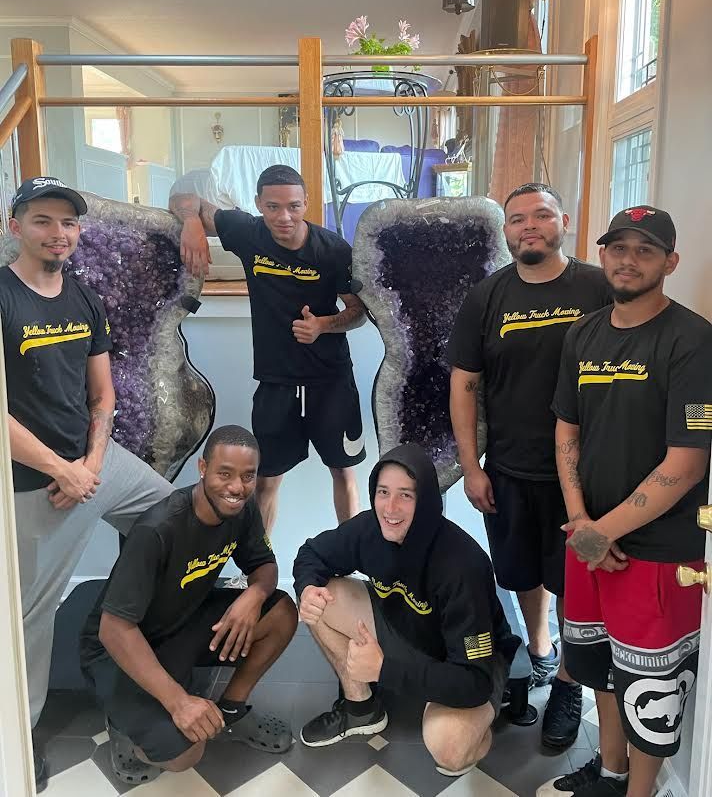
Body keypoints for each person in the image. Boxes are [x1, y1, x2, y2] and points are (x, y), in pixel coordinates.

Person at [0, 177, 175, 792]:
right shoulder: (2, 296)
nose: (59, 234)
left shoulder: (81, 297)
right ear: (14, 224)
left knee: (171, 513)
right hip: (30, 482)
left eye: (69, 224)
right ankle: (20, 737)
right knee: (29, 615)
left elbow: (102, 396)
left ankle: (124, 627)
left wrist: (94, 462)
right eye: (44, 221)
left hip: (92, 462)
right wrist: (63, 470)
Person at [538, 205, 712, 797]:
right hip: (588, 538)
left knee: (649, 689)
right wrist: (582, 522)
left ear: (671, 261)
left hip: (662, 549)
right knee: (599, 671)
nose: (628, 260)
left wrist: (599, 533)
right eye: (619, 248)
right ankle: (610, 775)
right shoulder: (582, 334)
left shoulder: (693, 341)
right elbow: (567, 430)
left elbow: (685, 465)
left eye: (645, 250)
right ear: (603, 254)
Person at [448, 182, 611, 750]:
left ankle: (568, 679)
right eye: (517, 219)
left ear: (563, 220)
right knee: (522, 573)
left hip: (587, 475)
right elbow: (465, 385)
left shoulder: (598, 286)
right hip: (510, 468)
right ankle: (540, 650)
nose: (529, 226)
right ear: (506, 232)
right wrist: (471, 466)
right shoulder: (486, 297)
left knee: (573, 578)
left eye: (541, 215)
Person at [80, 424, 298, 785]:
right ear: (202, 468)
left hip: (183, 620)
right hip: (121, 645)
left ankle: (232, 710)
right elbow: (113, 629)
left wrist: (254, 595)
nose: (236, 487)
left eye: (248, 476)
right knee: (185, 753)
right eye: (224, 474)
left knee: (282, 613)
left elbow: (264, 566)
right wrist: (179, 702)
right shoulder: (158, 530)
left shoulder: (242, 511)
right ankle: (124, 721)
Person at [293, 443, 521, 777]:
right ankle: (361, 709)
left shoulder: (462, 566)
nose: (391, 507)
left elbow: (474, 681)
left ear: (427, 501)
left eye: (406, 495)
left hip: (468, 662)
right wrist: (306, 588)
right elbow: (311, 554)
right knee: (322, 597)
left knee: (450, 747)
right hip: (405, 628)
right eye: (383, 492)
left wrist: (384, 669)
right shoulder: (369, 528)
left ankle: (482, 722)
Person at [169, 164, 367, 536]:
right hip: (277, 381)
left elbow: (358, 312)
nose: (284, 217)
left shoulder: (333, 251)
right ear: (259, 204)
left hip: (331, 379)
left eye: (293, 206)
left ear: (306, 203)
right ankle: (262, 568)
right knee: (266, 481)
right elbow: (184, 197)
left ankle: (353, 558)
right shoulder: (248, 233)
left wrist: (322, 325)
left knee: (343, 471)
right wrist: (192, 223)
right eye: (273, 206)